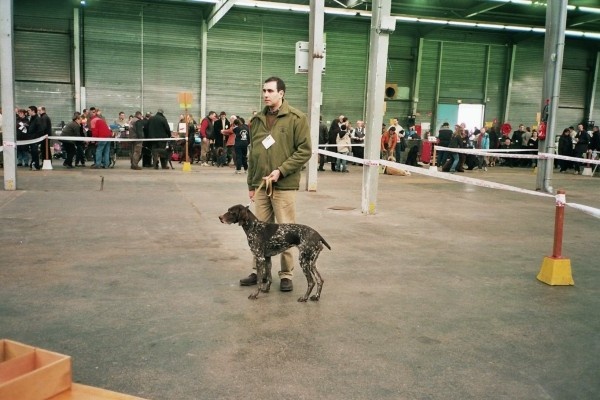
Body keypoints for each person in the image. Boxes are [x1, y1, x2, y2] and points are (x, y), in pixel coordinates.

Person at [239, 76, 311, 292]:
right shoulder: (257, 120)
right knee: (258, 231)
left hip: (284, 185)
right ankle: (259, 271)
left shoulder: (297, 118)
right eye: (264, 91)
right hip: (261, 184)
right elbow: (254, 154)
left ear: (281, 93)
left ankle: (286, 274)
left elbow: (305, 151)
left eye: (270, 91)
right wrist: (251, 184)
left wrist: (281, 170)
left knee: (285, 230)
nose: (265, 95)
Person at [27, 106, 44, 170]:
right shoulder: (32, 118)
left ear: (33, 111)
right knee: (33, 152)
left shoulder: (37, 119)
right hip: (31, 138)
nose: (28, 112)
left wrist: (36, 138)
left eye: (29, 110)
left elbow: (40, 130)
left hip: (35, 139)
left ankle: (36, 165)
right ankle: (33, 164)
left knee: (35, 152)